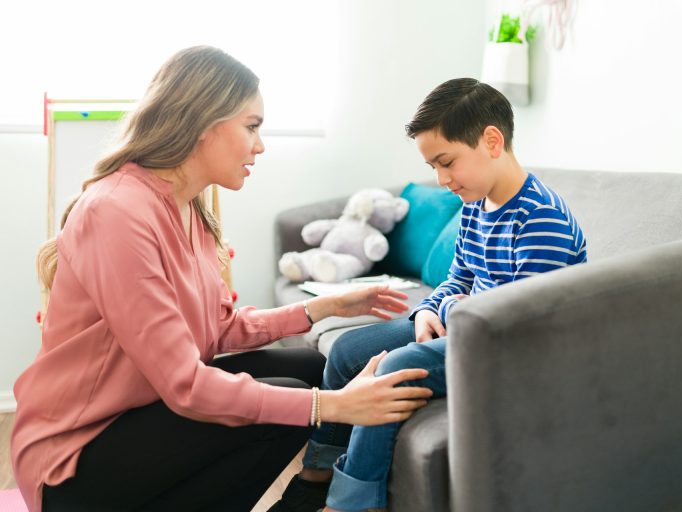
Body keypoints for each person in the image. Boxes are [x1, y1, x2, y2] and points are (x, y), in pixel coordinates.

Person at [11, 45, 434, 512]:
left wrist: (322, 309)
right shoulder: (117, 212)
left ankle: (306, 498)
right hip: (77, 456)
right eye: (252, 126)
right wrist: (331, 407)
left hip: (141, 414)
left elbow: (215, 328)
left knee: (315, 368)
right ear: (203, 124)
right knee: (297, 400)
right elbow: (185, 385)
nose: (260, 145)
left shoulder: (188, 208)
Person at [269, 77, 588, 512]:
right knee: (346, 350)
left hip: (503, 350)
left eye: (446, 162)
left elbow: (516, 319)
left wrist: (452, 310)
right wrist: (428, 311)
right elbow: (458, 276)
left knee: (394, 367)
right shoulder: (477, 204)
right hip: (461, 327)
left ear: (491, 141)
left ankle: (350, 503)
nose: (440, 179)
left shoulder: (540, 220)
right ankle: (316, 474)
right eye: (433, 166)